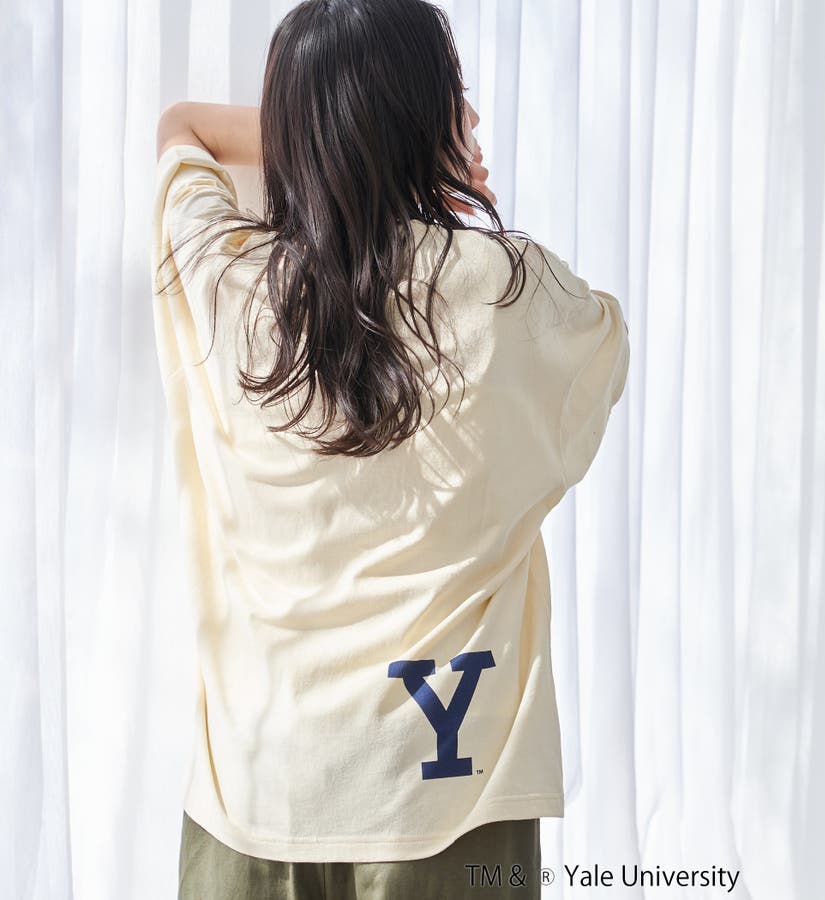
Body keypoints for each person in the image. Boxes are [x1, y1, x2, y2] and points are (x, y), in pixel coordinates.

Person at [150, 1, 629, 897]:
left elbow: (182, 128)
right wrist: (412, 154)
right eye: (454, 98)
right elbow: (606, 342)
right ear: (420, 116)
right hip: (446, 798)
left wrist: (335, 134)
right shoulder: (511, 294)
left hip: (257, 792)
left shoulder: (226, 281)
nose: (473, 118)